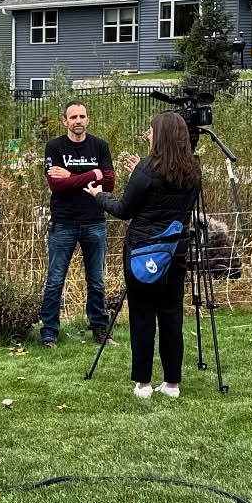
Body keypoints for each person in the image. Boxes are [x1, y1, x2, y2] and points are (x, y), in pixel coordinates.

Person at [85, 111, 201, 398]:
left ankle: (143, 383)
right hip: (176, 251)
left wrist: (98, 196)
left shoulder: (147, 169)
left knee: (143, 315)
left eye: (150, 131)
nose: (148, 135)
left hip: (143, 252)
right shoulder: (193, 169)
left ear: (160, 136)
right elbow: (169, 194)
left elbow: (124, 209)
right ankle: (172, 383)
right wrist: (140, 171)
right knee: (172, 314)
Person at [40, 101, 116, 348]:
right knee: (55, 280)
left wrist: (72, 177)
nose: (78, 120)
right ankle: (49, 333)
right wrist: (92, 174)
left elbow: (110, 183)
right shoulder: (55, 147)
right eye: (73, 117)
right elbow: (56, 185)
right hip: (64, 223)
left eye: (82, 116)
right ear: (65, 121)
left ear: (88, 119)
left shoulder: (100, 146)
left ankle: (100, 330)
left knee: (96, 280)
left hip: (95, 221)